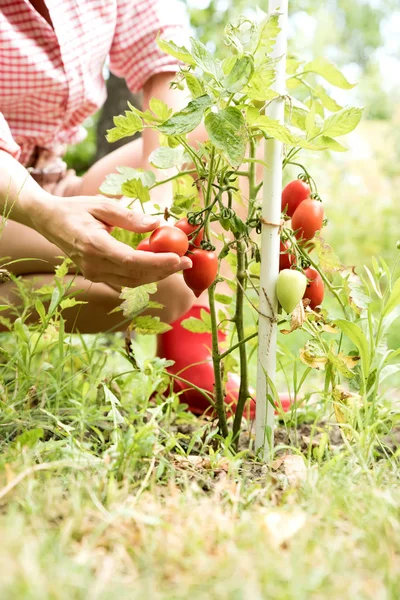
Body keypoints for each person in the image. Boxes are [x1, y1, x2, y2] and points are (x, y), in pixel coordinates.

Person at [0, 0, 256, 418]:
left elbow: (166, 62)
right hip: (10, 191)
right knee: (162, 284)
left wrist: (158, 192)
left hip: (54, 180)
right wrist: (43, 211)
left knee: (220, 134)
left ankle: (194, 366)